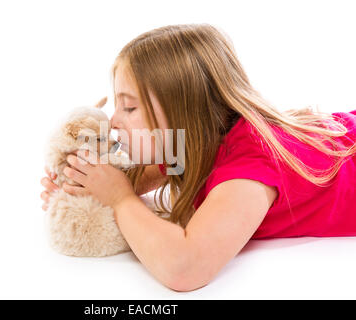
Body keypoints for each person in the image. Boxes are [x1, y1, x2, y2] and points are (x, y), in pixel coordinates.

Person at [40, 23, 356, 292]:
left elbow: (186, 267)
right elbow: (143, 175)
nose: (113, 122)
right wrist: (84, 190)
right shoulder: (193, 143)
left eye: (130, 108)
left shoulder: (248, 171)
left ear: (183, 115)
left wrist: (120, 199)